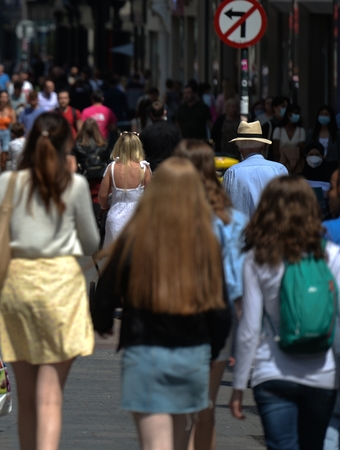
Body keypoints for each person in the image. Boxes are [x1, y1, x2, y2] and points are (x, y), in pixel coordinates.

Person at [0, 112, 99, 450]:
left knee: (27, 397)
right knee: (51, 395)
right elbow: (92, 243)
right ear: (66, 143)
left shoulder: (9, 183)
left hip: (19, 286)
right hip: (62, 288)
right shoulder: (75, 184)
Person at [91, 157, 230, 450]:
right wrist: (215, 346)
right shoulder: (205, 240)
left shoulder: (136, 236)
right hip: (191, 351)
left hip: (145, 350)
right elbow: (219, 306)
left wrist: (102, 323)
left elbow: (105, 292)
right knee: (181, 430)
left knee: (155, 441)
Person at [231, 176, 340, 450]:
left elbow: (249, 329)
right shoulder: (332, 256)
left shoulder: (257, 259)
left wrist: (238, 384)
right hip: (322, 375)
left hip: (272, 373)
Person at [172, 140, 248, 450]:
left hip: (173, 315)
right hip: (217, 315)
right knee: (206, 407)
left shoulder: (165, 217)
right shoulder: (232, 219)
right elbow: (236, 283)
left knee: (177, 409)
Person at [222, 121, 288, 218]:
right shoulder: (279, 169)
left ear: (239, 148)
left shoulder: (232, 172)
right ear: (262, 146)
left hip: (242, 231)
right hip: (273, 231)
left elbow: (225, 207)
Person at [99, 132, 151, 246]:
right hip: (138, 217)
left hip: (115, 217)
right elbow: (151, 196)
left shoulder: (112, 168)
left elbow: (103, 195)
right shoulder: (144, 168)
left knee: (115, 257)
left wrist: (105, 206)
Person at [139, 101, 184, 171]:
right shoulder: (175, 130)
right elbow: (180, 149)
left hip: (152, 169)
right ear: (165, 113)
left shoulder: (146, 132)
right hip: (171, 168)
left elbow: (142, 152)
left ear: (151, 115)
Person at [301, 141, 334, 217]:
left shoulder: (330, 179)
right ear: (306, 156)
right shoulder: (299, 178)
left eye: (317, 155)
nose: (314, 157)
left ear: (322, 157)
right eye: (311, 155)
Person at [273, 104, 307, 174]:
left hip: (296, 166)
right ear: (288, 114)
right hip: (281, 164)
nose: (297, 115)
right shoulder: (278, 130)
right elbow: (275, 150)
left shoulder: (301, 130)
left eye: (298, 113)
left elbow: (301, 149)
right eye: (295, 113)